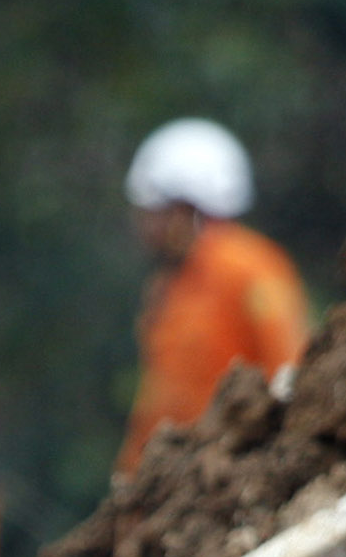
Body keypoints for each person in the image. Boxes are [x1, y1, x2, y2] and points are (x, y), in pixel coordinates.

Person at [117, 119, 309, 474]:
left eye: (153, 212)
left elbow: (289, 368)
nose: (144, 225)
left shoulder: (251, 268)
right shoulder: (169, 287)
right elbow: (158, 401)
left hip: (236, 471)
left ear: (185, 209)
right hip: (181, 479)